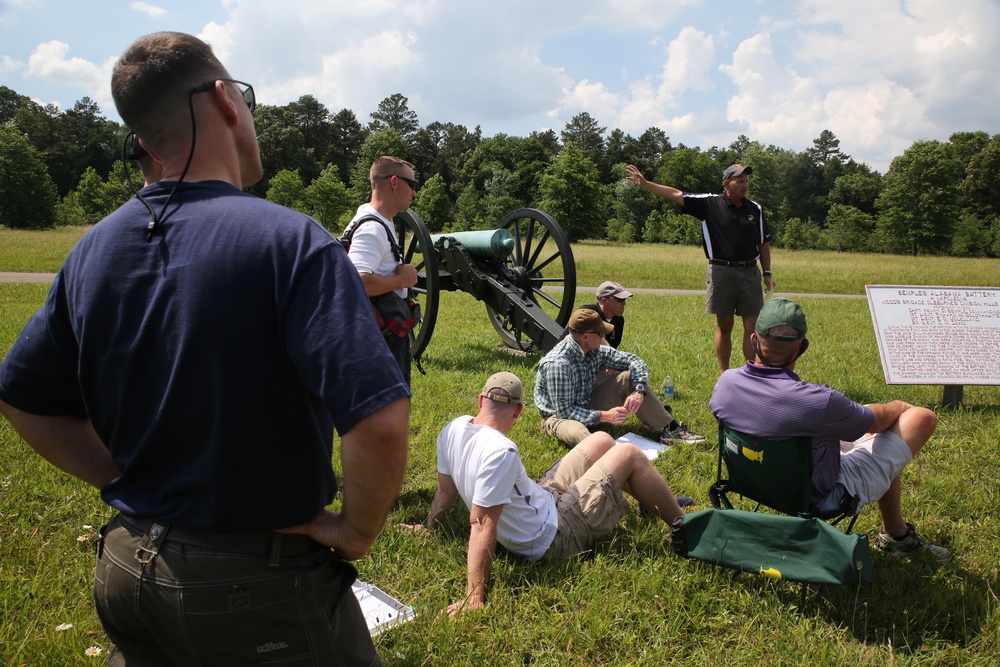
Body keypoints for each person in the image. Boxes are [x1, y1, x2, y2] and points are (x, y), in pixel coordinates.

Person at [0, 31, 410, 665]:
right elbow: (380, 420)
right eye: (244, 97)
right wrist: (354, 530)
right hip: (256, 586)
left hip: (126, 565)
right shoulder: (292, 241)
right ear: (223, 100)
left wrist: (121, 478)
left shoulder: (93, 249)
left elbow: (22, 397)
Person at [404, 372, 689, 615]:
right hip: (556, 536)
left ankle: (649, 499)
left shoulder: (453, 428)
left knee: (602, 439)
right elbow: (480, 524)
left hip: (542, 499)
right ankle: (688, 529)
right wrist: (474, 597)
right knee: (629, 453)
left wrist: (430, 526)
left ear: (480, 401)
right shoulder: (500, 452)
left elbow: (445, 490)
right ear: (518, 411)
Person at [709, 298, 951, 561]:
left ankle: (896, 532)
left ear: (755, 339)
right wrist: (898, 405)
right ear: (803, 346)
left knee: (867, 430)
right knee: (920, 417)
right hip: (819, 495)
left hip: (754, 482)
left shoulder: (726, 383)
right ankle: (898, 538)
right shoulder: (819, 402)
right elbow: (878, 421)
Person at [626, 163, 774, 372]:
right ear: (727, 183)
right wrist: (646, 184)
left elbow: (763, 243)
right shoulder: (710, 204)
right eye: (740, 181)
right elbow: (676, 194)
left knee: (752, 326)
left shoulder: (755, 209)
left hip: (750, 272)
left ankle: (751, 373)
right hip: (721, 272)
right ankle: (725, 375)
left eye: (747, 181)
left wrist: (767, 273)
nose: (745, 185)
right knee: (725, 326)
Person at [535, 308, 705, 446]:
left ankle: (671, 429)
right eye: (600, 334)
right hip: (558, 417)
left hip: (587, 400)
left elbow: (633, 360)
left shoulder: (592, 349)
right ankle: (605, 453)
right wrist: (604, 416)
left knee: (628, 377)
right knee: (580, 433)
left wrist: (638, 390)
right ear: (586, 336)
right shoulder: (557, 364)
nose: (604, 337)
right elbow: (566, 411)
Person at [341, 156, 420, 385]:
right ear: (394, 182)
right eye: (411, 185)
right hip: (380, 341)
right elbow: (357, 282)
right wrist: (401, 280)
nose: (414, 193)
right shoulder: (372, 229)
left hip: (382, 333)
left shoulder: (380, 220)